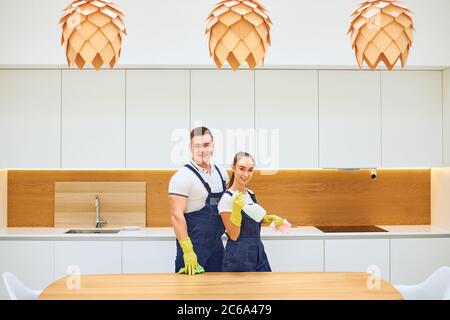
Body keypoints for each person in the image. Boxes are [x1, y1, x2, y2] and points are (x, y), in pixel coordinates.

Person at [168, 127, 229, 275]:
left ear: (213, 146)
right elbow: (176, 215)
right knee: (189, 294)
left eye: (206, 145)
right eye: (197, 146)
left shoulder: (222, 174)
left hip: (216, 246)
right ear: (190, 147)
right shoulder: (182, 177)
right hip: (193, 248)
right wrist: (188, 250)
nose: (202, 150)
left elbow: (225, 207)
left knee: (217, 292)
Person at [218, 152, 287, 272]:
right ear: (233, 167)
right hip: (238, 257)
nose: (246, 174)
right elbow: (233, 235)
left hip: (258, 252)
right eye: (241, 169)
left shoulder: (250, 193)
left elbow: (256, 216)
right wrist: (236, 211)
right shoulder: (227, 198)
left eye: (250, 170)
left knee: (264, 289)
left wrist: (268, 218)